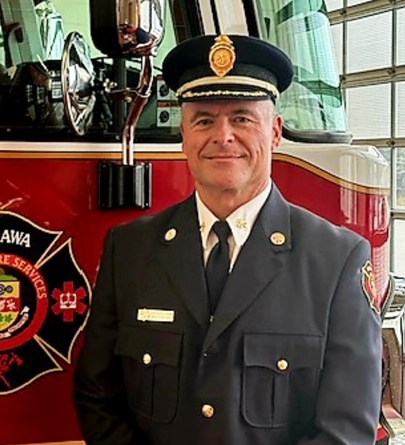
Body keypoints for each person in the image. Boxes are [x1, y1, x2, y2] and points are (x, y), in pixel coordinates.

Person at [73, 34, 382, 445]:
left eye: (242, 117)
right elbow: (98, 396)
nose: (223, 136)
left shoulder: (336, 260)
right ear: (184, 135)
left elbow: (347, 429)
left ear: (274, 132)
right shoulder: (129, 250)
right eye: (203, 120)